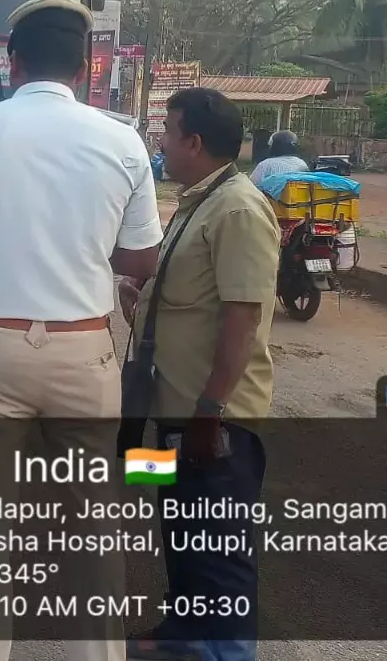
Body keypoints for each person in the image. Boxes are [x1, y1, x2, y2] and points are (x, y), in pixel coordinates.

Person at [0, 0, 163, 661]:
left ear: (13, 62)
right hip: (83, 352)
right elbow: (141, 259)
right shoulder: (123, 140)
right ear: (83, 69)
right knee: (93, 528)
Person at [119, 88, 281, 661]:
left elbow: (243, 316)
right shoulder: (199, 202)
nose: (160, 142)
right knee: (183, 534)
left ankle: (228, 652)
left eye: (167, 132)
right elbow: (191, 302)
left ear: (193, 142)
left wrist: (212, 410)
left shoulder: (238, 209)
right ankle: (184, 633)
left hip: (212, 419)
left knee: (221, 548)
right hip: (174, 410)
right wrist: (139, 301)